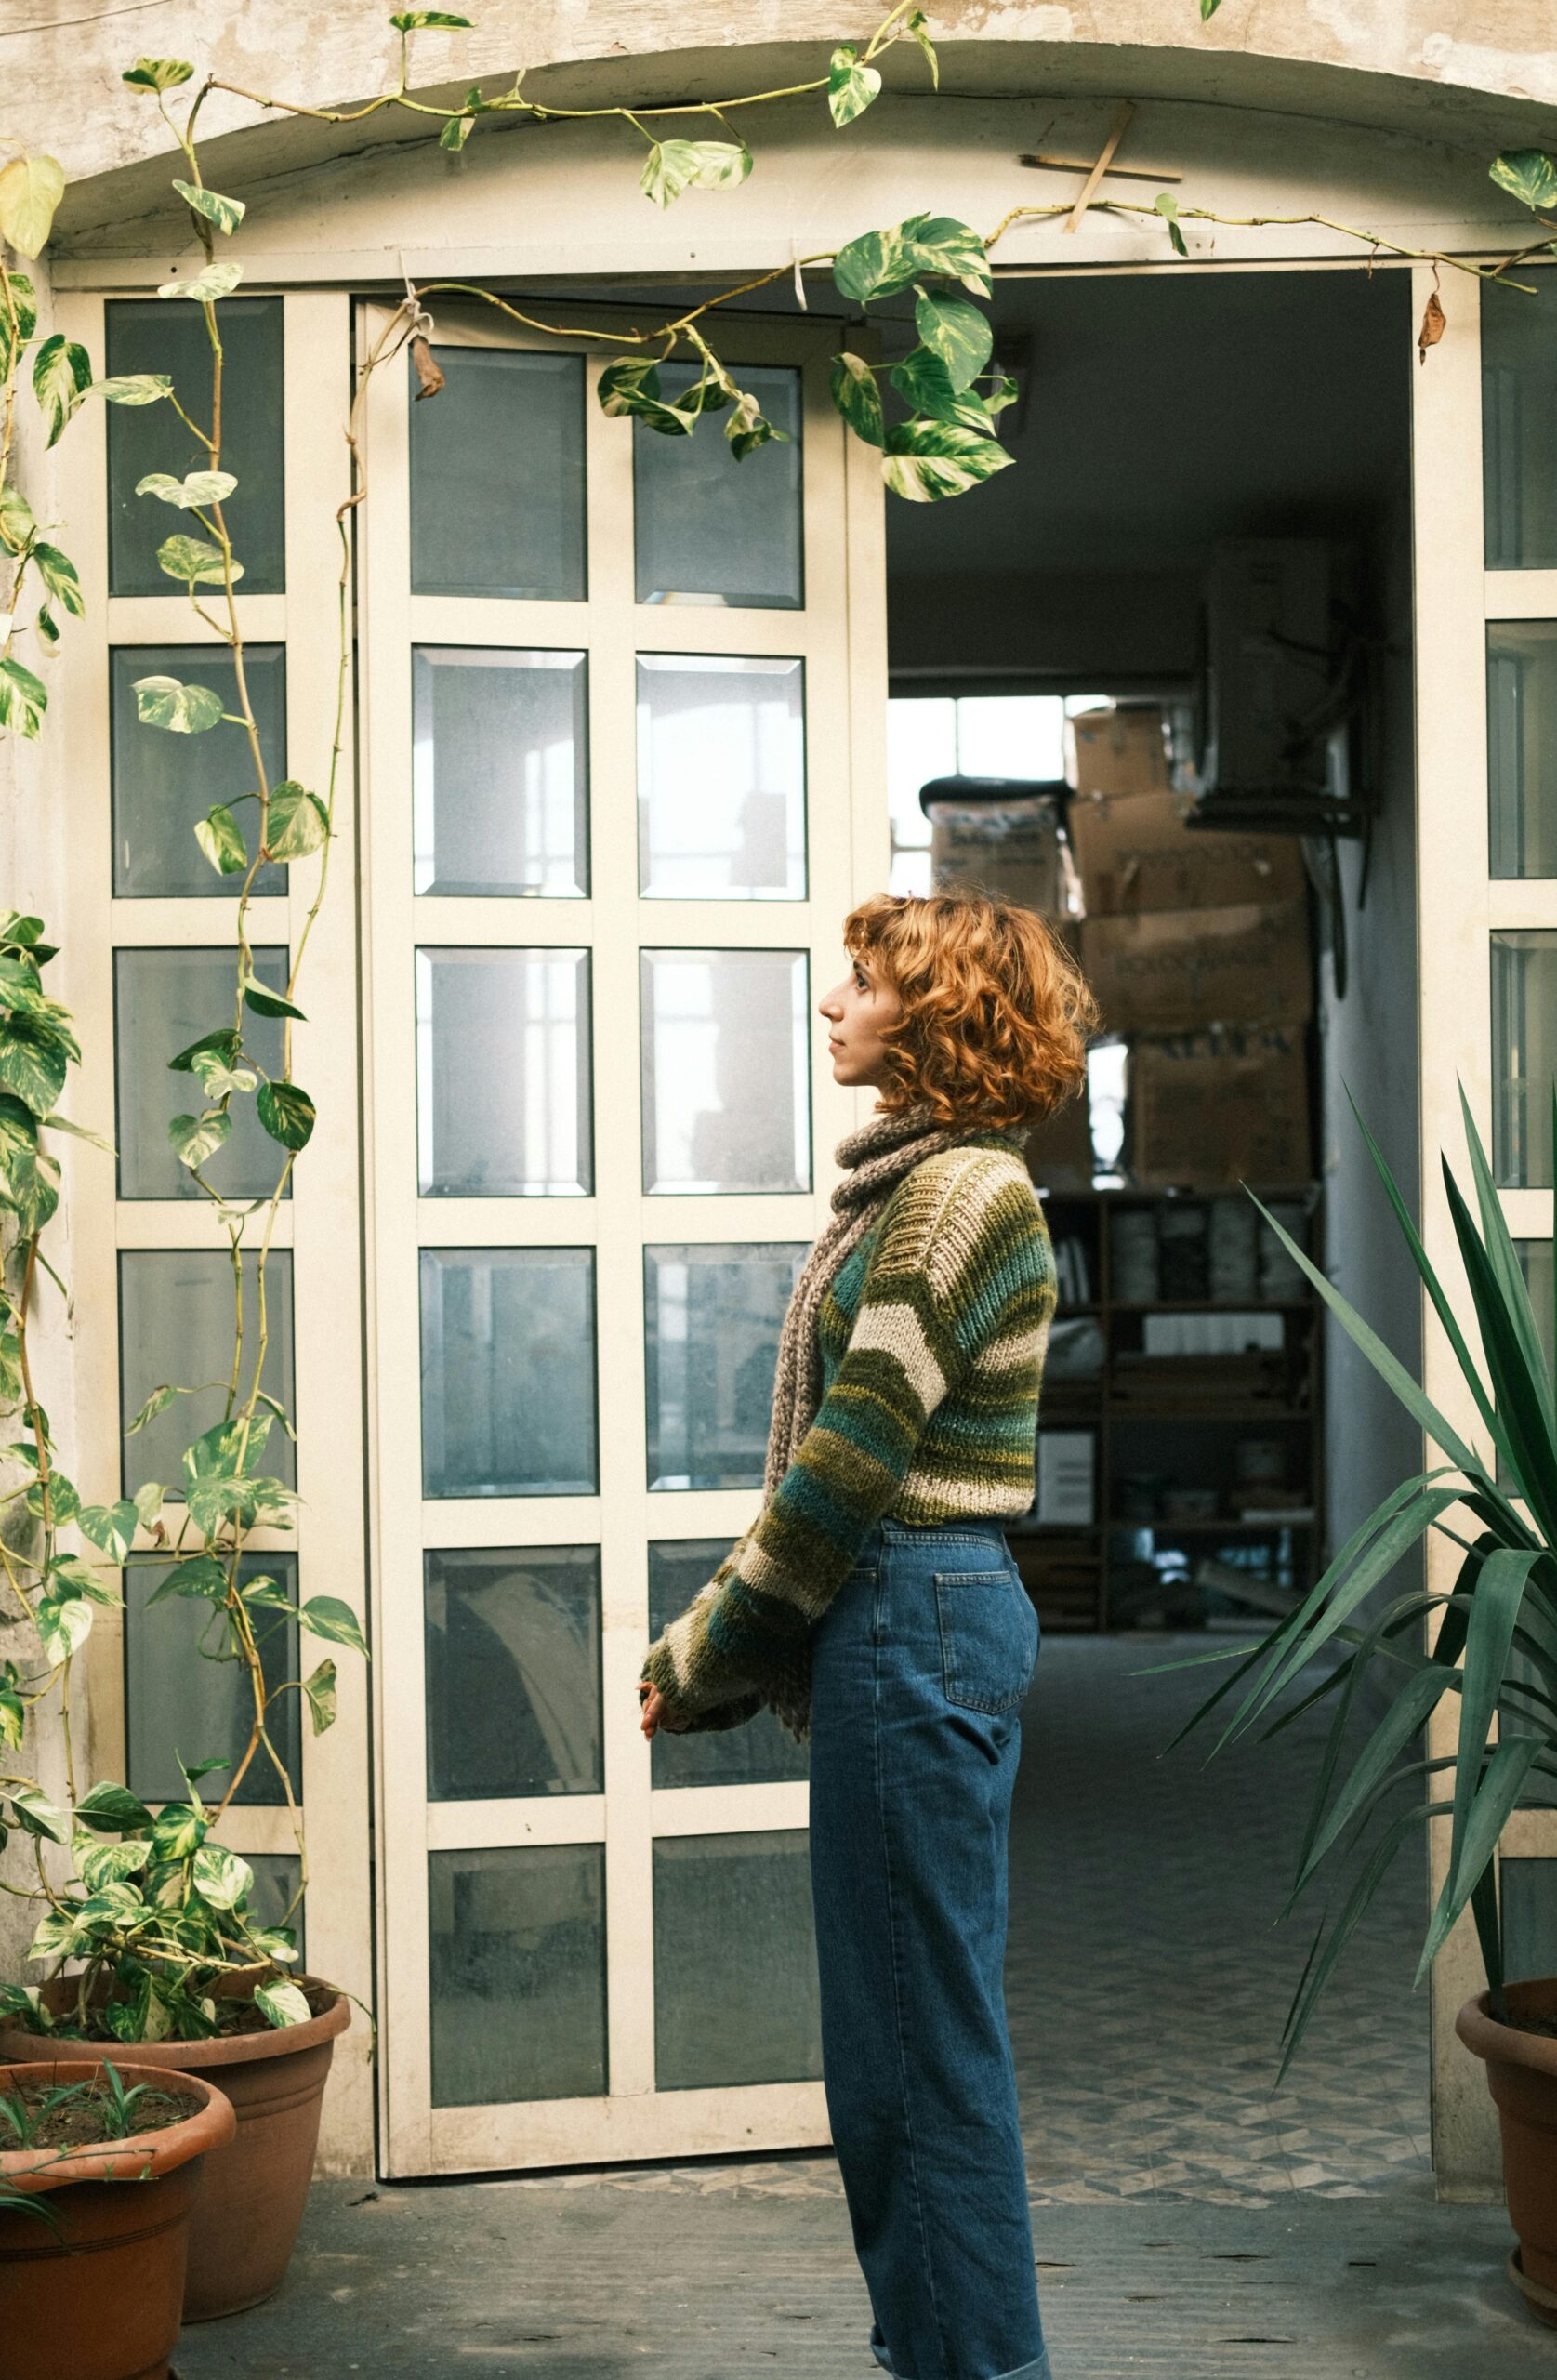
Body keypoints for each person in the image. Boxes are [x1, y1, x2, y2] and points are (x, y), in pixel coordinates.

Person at [640, 889, 1095, 2380]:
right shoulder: (923, 1190)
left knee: (919, 2062)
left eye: (861, 986)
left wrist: (705, 1655)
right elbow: (843, 1467)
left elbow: (845, 1468)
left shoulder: (961, 1198)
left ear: (941, 1016)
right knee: (898, 2062)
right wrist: (719, 1639)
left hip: (913, 1611)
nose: (830, 1006)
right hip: (909, 1615)